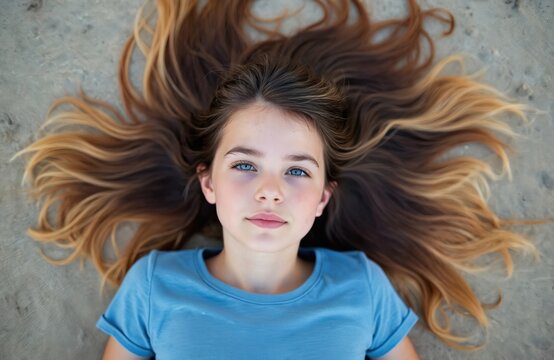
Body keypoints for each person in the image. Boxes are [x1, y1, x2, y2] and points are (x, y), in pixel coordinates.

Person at [11, 0, 548, 359]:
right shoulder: (153, 286)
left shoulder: (361, 287)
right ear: (209, 183)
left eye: (297, 170)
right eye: (245, 164)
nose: (270, 189)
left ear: (321, 199)